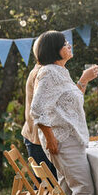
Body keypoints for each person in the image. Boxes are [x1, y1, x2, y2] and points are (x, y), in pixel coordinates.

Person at [30, 30, 98, 195]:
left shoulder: (61, 72)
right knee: (85, 190)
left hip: (71, 139)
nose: (69, 45)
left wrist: (83, 80)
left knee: (68, 190)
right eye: (64, 43)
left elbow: (67, 102)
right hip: (64, 140)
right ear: (54, 49)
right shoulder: (49, 73)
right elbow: (37, 109)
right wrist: (50, 138)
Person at [21, 38, 58, 184]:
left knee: (48, 186)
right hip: (39, 138)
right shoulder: (42, 74)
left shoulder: (44, 71)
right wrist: (50, 138)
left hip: (38, 136)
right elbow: (38, 109)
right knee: (48, 186)